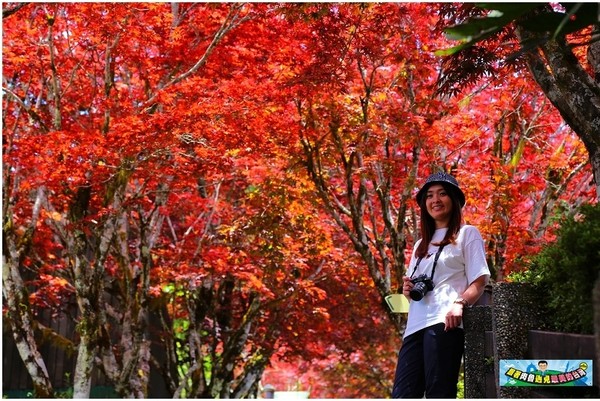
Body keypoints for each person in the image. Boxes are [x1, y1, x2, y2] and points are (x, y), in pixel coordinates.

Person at [392, 171, 491, 398]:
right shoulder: (420, 245)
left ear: (454, 200)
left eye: (442, 194)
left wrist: (460, 303)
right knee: (403, 393)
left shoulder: (467, 234)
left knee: (439, 391)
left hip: (444, 322)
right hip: (415, 324)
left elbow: (480, 279)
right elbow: (412, 291)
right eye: (429, 196)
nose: (435, 200)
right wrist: (407, 291)